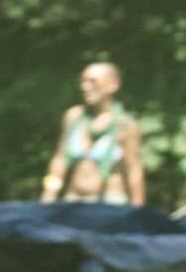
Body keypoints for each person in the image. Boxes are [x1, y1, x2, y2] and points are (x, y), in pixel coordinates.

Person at [40, 61, 144, 206]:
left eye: (93, 81)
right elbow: (60, 160)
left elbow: (133, 169)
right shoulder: (74, 116)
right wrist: (49, 194)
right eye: (83, 82)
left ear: (113, 85)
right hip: (73, 199)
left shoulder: (125, 124)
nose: (85, 87)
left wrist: (137, 208)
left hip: (110, 202)